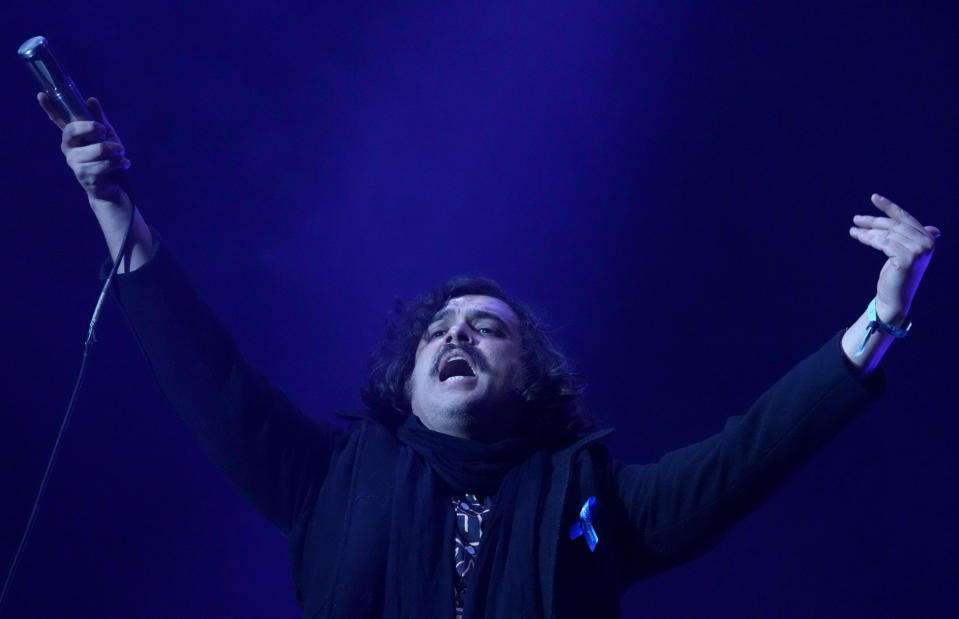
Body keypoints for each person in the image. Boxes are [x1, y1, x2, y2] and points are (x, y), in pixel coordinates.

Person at [38, 93, 939, 618]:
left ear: (532, 376)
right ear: (406, 378)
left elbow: (749, 452)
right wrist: (109, 200)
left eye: (486, 326)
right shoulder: (331, 477)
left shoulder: (593, 496)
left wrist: (880, 316)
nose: (456, 333)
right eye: (436, 329)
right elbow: (210, 375)